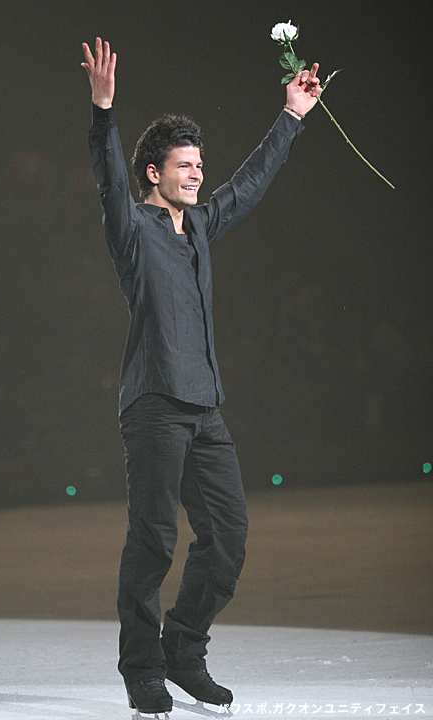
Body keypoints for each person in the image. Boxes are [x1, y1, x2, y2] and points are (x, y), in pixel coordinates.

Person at [81, 37, 321, 716]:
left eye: (199, 164)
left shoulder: (202, 225)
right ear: (153, 173)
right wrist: (104, 112)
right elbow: (108, 176)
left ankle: (184, 650)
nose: (196, 174)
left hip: (205, 408)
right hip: (155, 404)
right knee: (154, 538)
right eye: (184, 166)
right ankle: (143, 669)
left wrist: (291, 117)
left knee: (229, 536)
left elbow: (248, 183)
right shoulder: (133, 228)